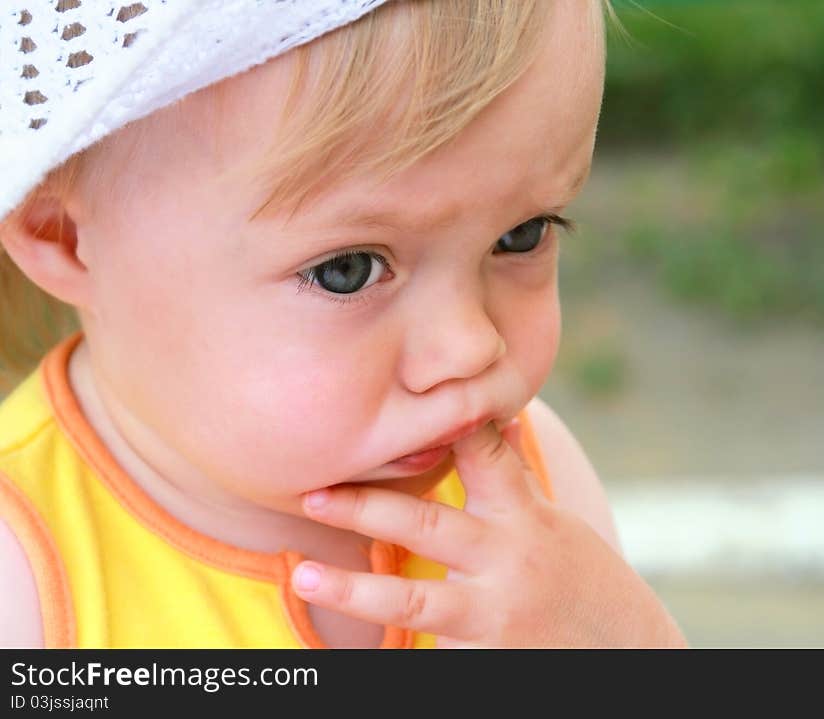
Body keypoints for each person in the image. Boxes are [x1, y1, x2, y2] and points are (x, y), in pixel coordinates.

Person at [0, 0, 686, 649]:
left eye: (521, 233)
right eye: (347, 270)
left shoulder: (538, 490)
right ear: (66, 237)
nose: (471, 346)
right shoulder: (23, 571)